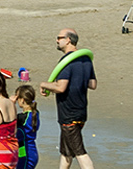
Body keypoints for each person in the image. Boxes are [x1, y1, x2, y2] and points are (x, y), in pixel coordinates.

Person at [39, 28, 97, 169]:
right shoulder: (85, 59)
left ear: (68, 40)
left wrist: (44, 84)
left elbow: (61, 87)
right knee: (66, 152)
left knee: (79, 152)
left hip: (69, 113)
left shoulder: (66, 61)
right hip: (81, 111)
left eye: (59, 38)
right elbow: (92, 84)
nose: (57, 40)